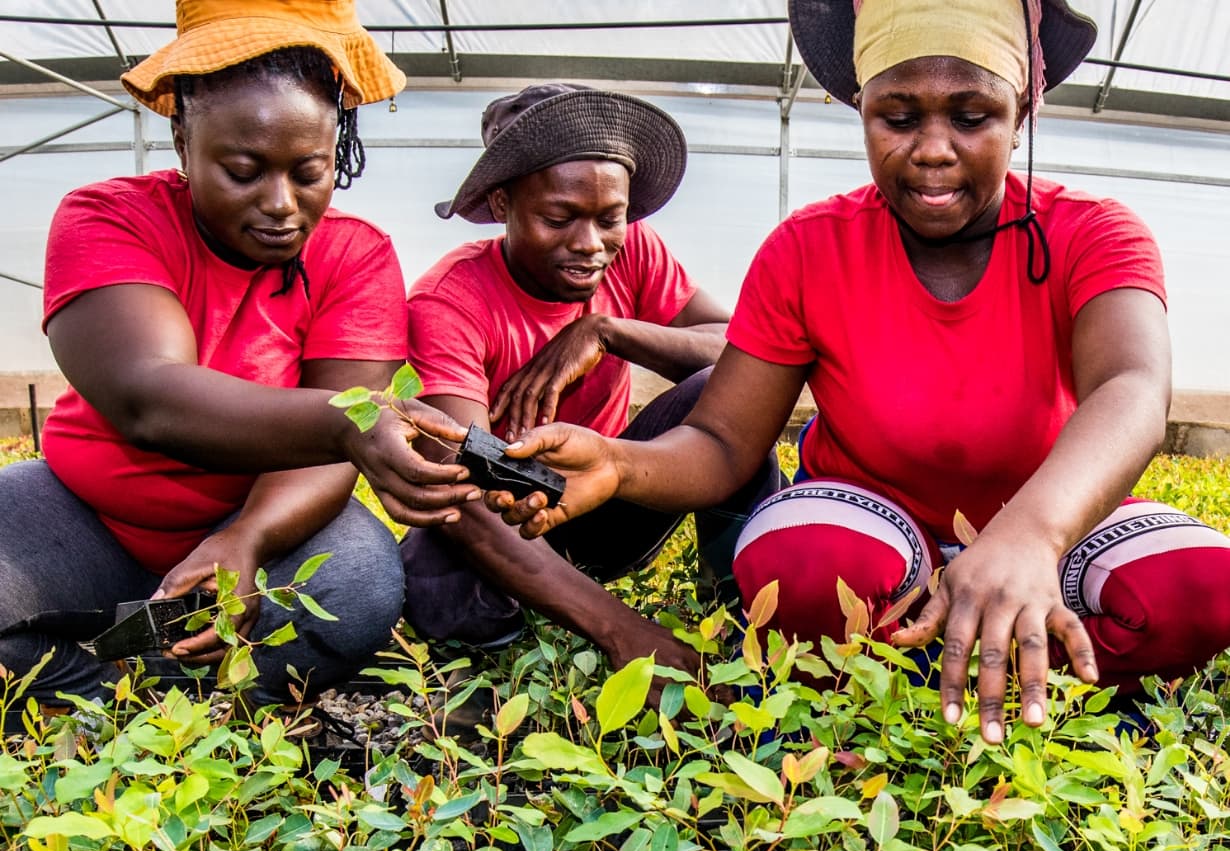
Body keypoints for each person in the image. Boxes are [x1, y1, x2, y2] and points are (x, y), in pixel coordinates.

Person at [481, 0, 1230, 743]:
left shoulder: (1093, 232)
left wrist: (1031, 536)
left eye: (972, 116)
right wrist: (616, 462)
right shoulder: (809, 249)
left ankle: (971, 650)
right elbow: (721, 440)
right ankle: (962, 654)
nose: (933, 149)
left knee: (1202, 591)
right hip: (876, 519)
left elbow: (1130, 388)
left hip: (1051, 524)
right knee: (800, 572)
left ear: (1022, 109)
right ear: (861, 109)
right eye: (897, 117)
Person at [0, 0, 473, 714]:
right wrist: (348, 422)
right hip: (84, 516)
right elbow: (147, 397)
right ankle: (119, 684)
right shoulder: (108, 218)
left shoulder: (356, 254)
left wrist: (247, 541)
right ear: (183, 137)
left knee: (357, 583)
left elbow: (327, 456)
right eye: (244, 170)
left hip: (261, 522)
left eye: (309, 172)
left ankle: (129, 677)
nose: (281, 204)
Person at [400, 83, 781, 677]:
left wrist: (609, 331)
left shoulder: (631, 253)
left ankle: (742, 615)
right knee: (435, 580)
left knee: (723, 392)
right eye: (558, 218)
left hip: (603, 503)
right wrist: (621, 628)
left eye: (610, 219)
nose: (589, 244)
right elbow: (464, 477)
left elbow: (741, 349)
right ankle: (518, 649)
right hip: (507, 516)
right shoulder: (449, 301)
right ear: (502, 205)